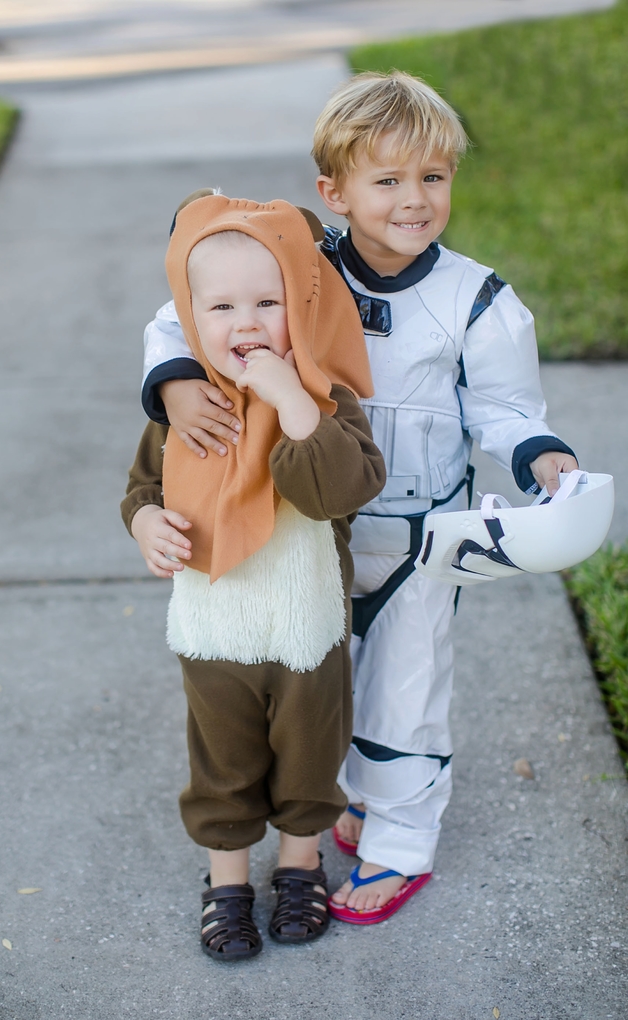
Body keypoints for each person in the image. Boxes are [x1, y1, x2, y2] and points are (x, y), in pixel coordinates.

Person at [136, 72, 578, 924]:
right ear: (333, 192)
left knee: (405, 695)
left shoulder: (475, 300)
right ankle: (353, 799)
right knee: (325, 691)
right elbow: (189, 308)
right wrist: (175, 381)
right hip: (305, 533)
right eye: (388, 180)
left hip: (418, 537)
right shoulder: (293, 267)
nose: (414, 200)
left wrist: (543, 458)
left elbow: (507, 408)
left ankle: (400, 848)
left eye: (434, 177)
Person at [121, 194, 385, 958]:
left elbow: (336, 490)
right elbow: (144, 488)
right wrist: (145, 522)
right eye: (223, 306)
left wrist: (288, 400)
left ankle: (300, 867)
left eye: (266, 304)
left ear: (298, 308)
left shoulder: (324, 401)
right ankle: (227, 882)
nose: (245, 324)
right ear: (188, 315)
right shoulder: (184, 406)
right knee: (224, 760)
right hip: (214, 628)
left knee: (310, 755)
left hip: (306, 628)